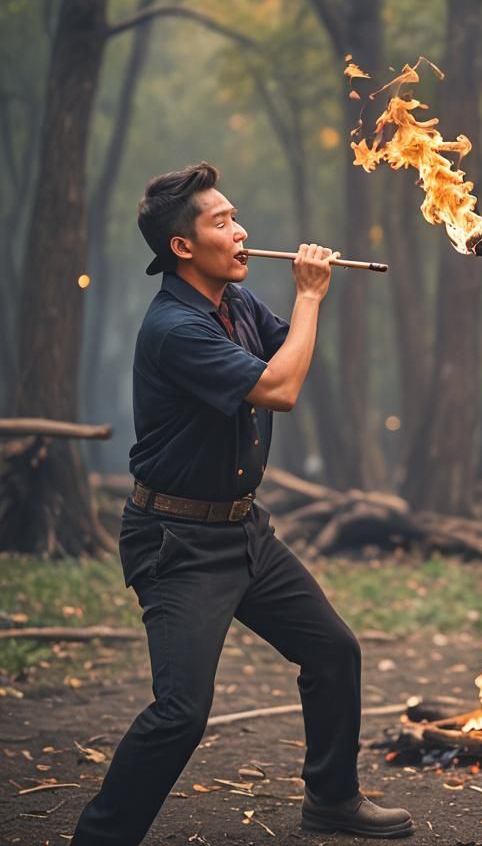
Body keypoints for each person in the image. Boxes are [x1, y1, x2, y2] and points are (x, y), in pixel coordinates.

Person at [72, 163, 412, 845]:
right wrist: (311, 296)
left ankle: (332, 801)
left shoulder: (237, 303)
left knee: (333, 653)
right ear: (182, 247)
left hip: (244, 532)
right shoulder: (175, 327)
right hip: (178, 543)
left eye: (236, 216)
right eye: (221, 221)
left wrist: (309, 306)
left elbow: (290, 351)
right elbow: (279, 388)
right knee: (181, 713)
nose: (241, 231)